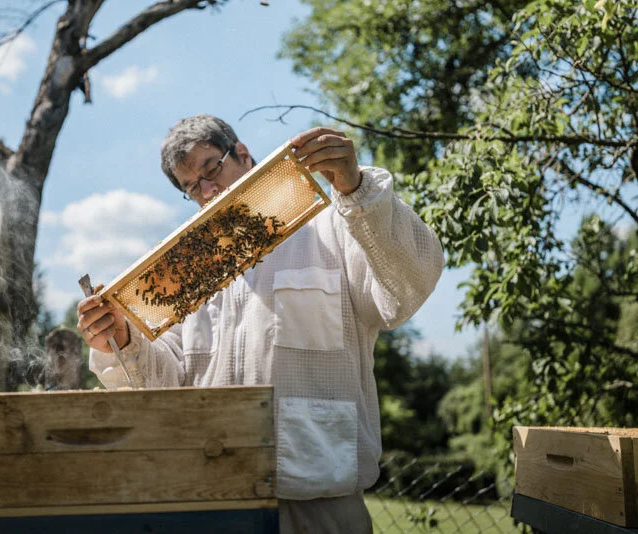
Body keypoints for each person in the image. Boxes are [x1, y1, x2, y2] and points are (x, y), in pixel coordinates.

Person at [77, 115, 444, 533]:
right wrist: (123, 340)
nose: (207, 190)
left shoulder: (334, 228)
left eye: (210, 169)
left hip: (319, 503)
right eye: (191, 187)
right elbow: (169, 382)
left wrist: (357, 190)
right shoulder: (187, 269)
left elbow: (408, 287)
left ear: (244, 154)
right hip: (212, 498)